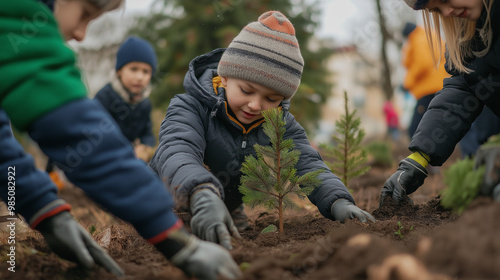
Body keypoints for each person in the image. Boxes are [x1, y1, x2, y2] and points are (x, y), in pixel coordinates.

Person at [0, 1, 241, 279]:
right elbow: (78, 133)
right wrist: (173, 238)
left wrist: (43, 208)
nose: (80, 34)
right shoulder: (15, 14)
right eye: (85, 14)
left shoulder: (143, 104)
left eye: (145, 72)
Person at [149, 10, 376, 249]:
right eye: (246, 91)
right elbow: (177, 152)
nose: (255, 105)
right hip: (163, 202)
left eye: (271, 98)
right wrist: (202, 194)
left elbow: (309, 164)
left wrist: (338, 202)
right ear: (225, 77)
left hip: (222, 205)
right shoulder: (190, 107)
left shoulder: (278, 122)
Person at [380, 0, 500, 206]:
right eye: (436, 9)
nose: (447, 12)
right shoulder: (474, 38)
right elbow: (463, 90)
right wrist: (418, 158)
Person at [94, 36, 157, 162]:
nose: (140, 77)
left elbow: (147, 132)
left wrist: (144, 147)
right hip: (105, 159)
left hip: (132, 159)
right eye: (133, 69)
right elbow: (98, 136)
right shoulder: (105, 97)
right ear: (119, 71)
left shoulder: (144, 103)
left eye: (146, 72)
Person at [401, 22, 449, 139]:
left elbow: (423, 63)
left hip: (429, 89)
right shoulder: (428, 35)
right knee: (433, 125)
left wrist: (408, 82)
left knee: (415, 129)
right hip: (438, 85)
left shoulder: (418, 39)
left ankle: (420, 155)